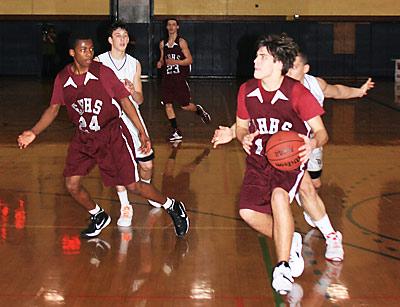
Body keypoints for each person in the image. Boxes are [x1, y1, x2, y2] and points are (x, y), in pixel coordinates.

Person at [17, 33, 189, 239]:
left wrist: (141, 132)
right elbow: (53, 109)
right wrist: (33, 132)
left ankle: (172, 206)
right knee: (71, 184)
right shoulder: (63, 78)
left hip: (111, 135)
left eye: (91, 49)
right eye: (83, 50)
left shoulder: (103, 73)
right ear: (72, 53)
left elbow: (125, 102)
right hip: (84, 138)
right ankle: (98, 215)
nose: (89, 53)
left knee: (132, 185)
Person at [232, 33, 329, 294]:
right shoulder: (247, 91)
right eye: (256, 55)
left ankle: (283, 266)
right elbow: (241, 127)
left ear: (278, 64)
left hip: (289, 161)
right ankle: (290, 239)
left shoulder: (297, 93)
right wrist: (244, 137)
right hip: (257, 160)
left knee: (279, 197)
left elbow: (322, 133)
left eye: (262, 56)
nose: (255, 60)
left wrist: (311, 144)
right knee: (247, 212)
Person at [95, 20, 155, 227]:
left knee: (147, 165)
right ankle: (125, 206)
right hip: (110, 120)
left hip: (133, 117)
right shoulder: (99, 62)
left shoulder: (134, 63)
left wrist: (131, 91)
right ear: (110, 40)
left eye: (125, 36)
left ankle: (146, 189)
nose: (123, 39)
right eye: (118, 36)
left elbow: (140, 100)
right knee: (118, 164)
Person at [287, 52, 374, 191]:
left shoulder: (316, 84)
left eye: (294, 67)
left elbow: (337, 91)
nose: (289, 71)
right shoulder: (278, 84)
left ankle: (310, 210)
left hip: (311, 139)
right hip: (285, 140)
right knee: (288, 185)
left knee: (315, 183)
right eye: (287, 67)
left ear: (305, 68)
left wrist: (359, 91)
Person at [156, 18, 211, 142]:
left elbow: (189, 60)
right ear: (166, 27)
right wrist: (160, 63)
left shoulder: (181, 42)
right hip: (167, 79)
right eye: (169, 25)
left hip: (179, 79)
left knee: (185, 106)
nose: (171, 27)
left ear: (177, 27)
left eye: (173, 25)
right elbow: (162, 59)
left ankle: (198, 110)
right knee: (167, 104)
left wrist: (175, 62)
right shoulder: (162, 43)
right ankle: (176, 131)